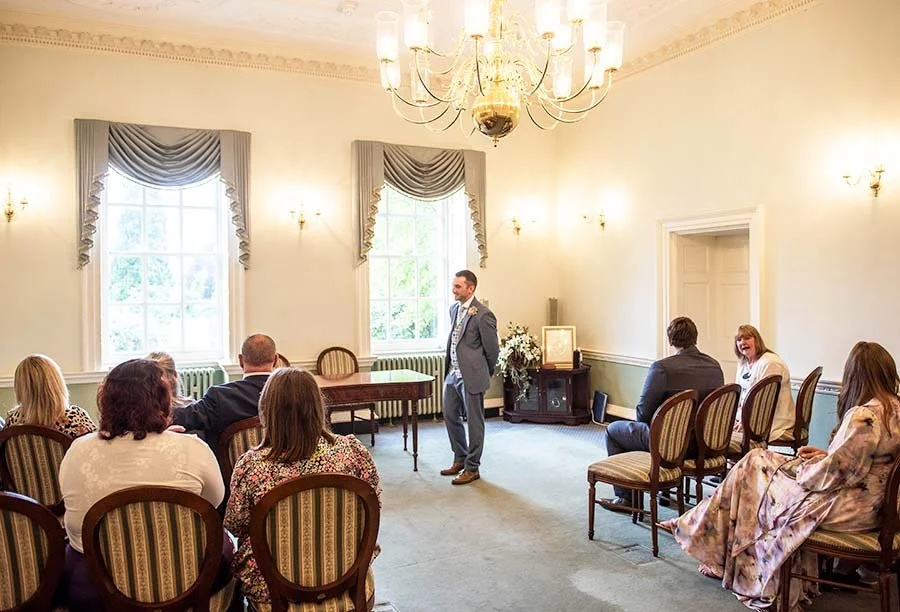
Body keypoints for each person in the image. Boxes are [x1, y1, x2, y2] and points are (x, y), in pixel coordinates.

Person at [663, 341, 900, 610]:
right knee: (756, 464)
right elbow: (868, 464)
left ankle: (707, 540)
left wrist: (802, 469)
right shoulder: (894, 409)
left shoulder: (864, 415)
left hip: (843, 509)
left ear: (855, 375)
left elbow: (831, 476)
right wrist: (825, 455)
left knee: (754, 472)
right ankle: (707, 540)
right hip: (871, 506)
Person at [58, 359, 228, 611]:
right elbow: (214, 502)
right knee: (223, 543)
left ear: (106, 401)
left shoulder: (78, 450)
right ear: (163, 400)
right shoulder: (191, 448)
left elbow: (72, 511)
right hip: (185, 578)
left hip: (98, 582)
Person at [224, 368, 380, 607]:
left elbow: (235, 525)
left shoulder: (251, 466)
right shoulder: (353, 452)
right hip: (346, 575)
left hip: (274, 586)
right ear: (318, 407)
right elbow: (374, 509)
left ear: (267, 412)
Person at [600, 317, 723, 510]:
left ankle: (627, 498)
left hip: (670, 446)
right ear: (695, 338)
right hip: (705, 443)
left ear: (671, 341)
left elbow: (643, 413)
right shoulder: (715, 366)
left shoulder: (662, 368)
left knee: (613, 430)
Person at [440, 269, 499, 486]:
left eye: (458, 286)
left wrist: (485, 372)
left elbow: (493, 350)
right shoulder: (454, 309)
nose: (453, 290)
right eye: (453, 285)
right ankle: (460, 457)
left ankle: (472, 468)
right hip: (452, 374)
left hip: (471, 376)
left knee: (474, 422)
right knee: (449, 415)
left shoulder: (484, 315)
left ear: (471, 288)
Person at [172, 333, 278, 453]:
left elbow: (181, 418)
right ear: (275, 360)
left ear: (241, 360)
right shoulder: (294, 395)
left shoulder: (219, 397)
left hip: (230, 471)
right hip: (289, 470)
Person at [6, 354, 96, 439]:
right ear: (57, 384)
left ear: (19, 387)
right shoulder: (76, 418)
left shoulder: (12, 420)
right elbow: (94, 449)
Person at [733, 324, 795, 441]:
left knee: (721, 440)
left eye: (747, 338)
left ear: (757, 340)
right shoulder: (742, 363)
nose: (742, 342)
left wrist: (747, 423)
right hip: (747, 417)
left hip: (773, 421)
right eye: (739, 340)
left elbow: (764, 401)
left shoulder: (770, 363)